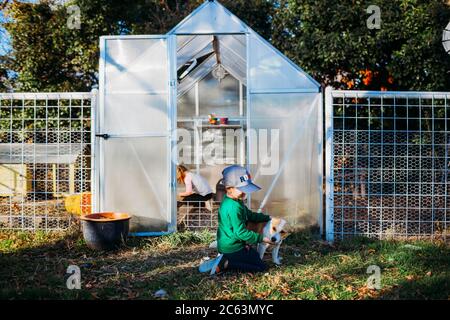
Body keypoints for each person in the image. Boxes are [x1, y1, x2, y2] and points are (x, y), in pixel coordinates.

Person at [210, 165, 274, 274]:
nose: (244, 192)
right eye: (241, 189)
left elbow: (248, 214)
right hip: (231, 248)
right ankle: (226, 263)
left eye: (246, 188)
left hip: (235, 243)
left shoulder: (236, 200)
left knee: (255, 257)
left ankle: (229, 258)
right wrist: (261, 238)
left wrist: (269, 218)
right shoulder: (232, 207)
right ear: (229, 188)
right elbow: (240, 232)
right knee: (262, 268)